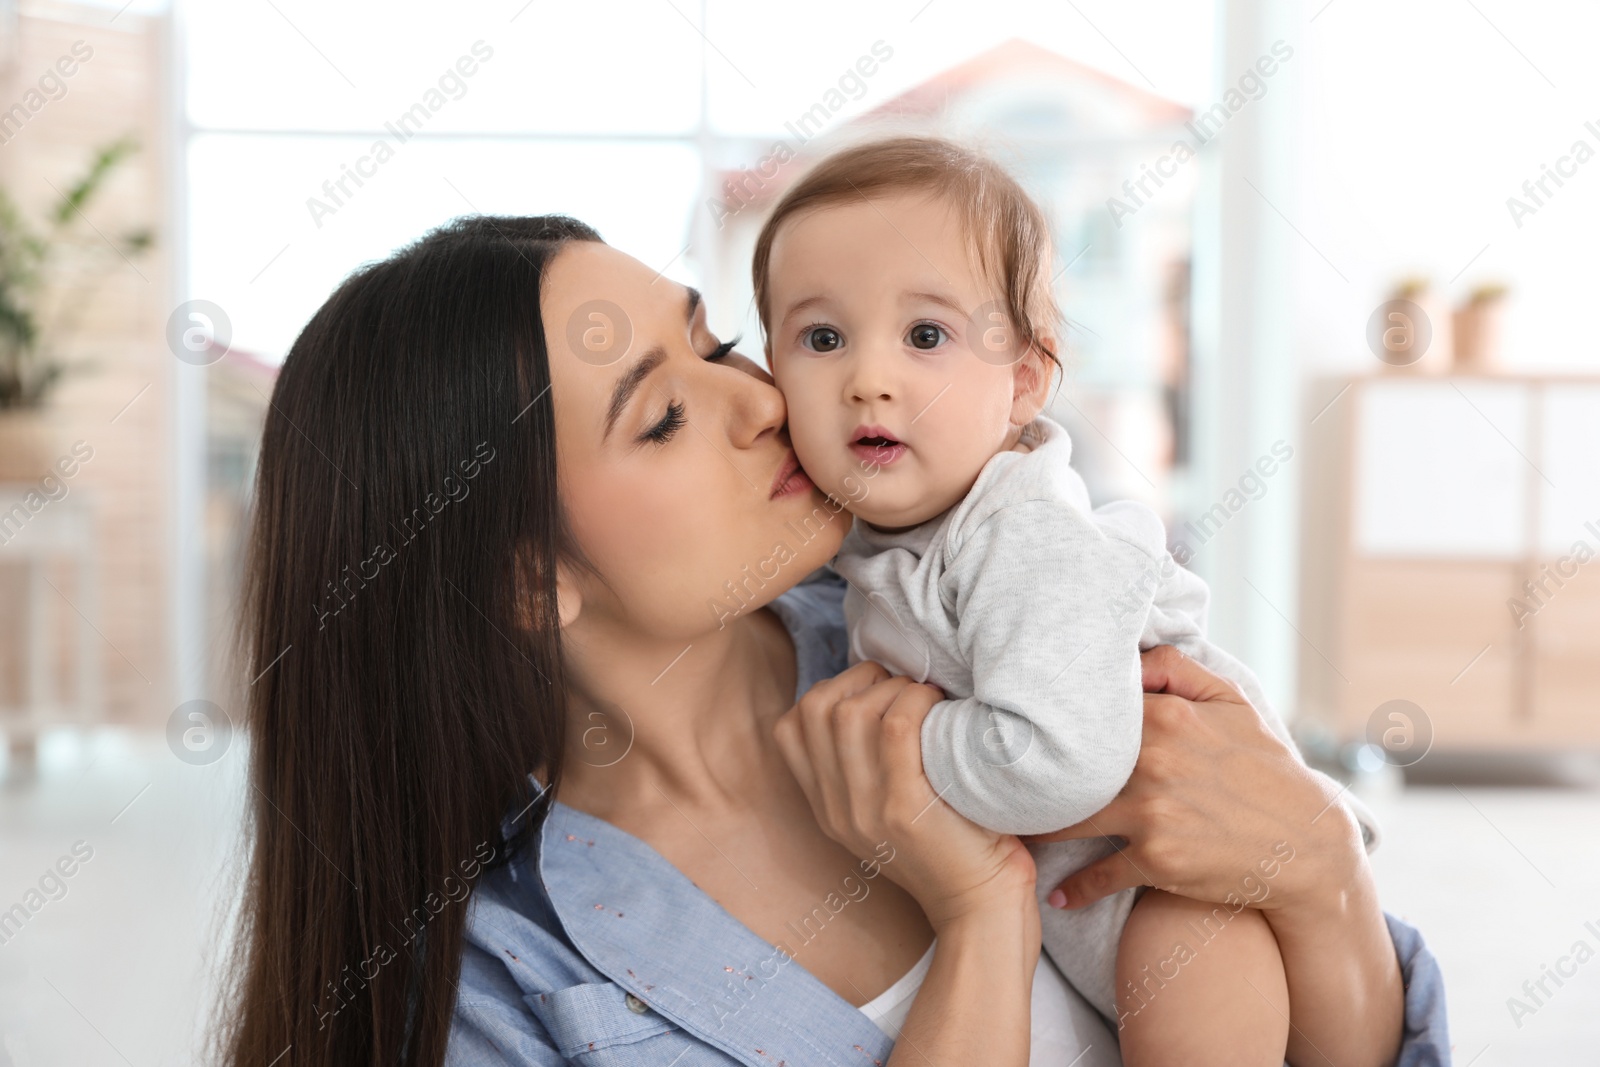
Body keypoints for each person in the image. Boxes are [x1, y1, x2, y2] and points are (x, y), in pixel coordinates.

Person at [219, 214, 1450, 1067]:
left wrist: (1320, 864)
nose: (762, 403)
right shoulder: (503, 991)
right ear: (528, 579)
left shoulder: (973, 624)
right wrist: (978, 916)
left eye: (716, 344)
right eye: (662, 417)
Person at [755, 134, 1309, 1063]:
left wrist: (903, 744)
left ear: (1022, 382)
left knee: (1191, 971)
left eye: (926, 336)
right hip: (1086, 899)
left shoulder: (1026, 534)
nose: (868, 378)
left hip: (1195, 888)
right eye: (821, 338)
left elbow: (1060, 758)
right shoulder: (870, 540)